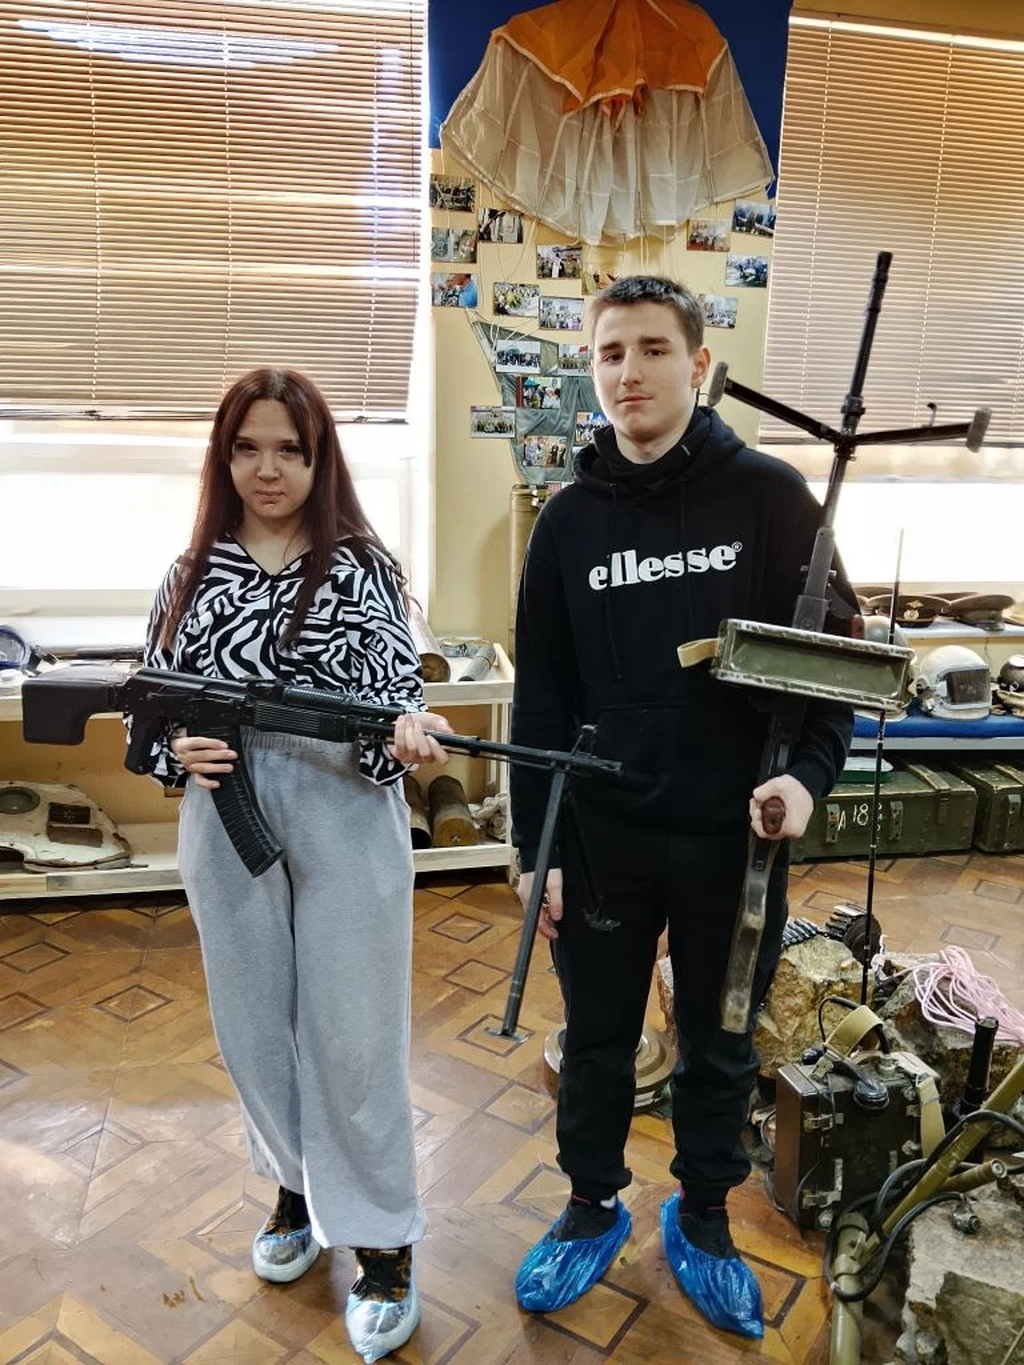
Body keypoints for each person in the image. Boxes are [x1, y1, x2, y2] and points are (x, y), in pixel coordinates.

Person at [509, 276, 855, 1338]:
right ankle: (591, 1203)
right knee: (598, 1036)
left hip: (731, 837)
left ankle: (703, 1215)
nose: (629, 373)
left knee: (720, 1038)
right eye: (609, 352)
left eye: (652, 349)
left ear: (698, 364)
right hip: (600, 836)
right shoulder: (567, 522)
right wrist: (534, 847)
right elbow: (541, 698)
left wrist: (806, 780)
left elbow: (836, 666)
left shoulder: (771, 498)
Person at [141, 367, 450, 1364]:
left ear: (321, 461)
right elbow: (147, 714)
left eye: (290, 449)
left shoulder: (362, 567)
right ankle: (296, 1187)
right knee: (251, 1027)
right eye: (247, 447)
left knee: (354, 1032)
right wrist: (173, 749)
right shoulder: (189, 573)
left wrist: (409, 734)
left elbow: (399, 701)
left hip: (344, 807)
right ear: (223, 456)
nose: (267, 469)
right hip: (223, 816)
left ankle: (384, 1238)